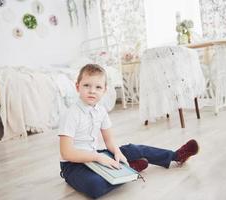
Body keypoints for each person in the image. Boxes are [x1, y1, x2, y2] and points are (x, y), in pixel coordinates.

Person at [59, 64, 199, 199]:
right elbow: (67, 153)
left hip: (96, 156)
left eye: (98, 87)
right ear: (77, 87)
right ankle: (131, 169)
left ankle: (176, 156)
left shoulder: (101, 111)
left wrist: (117, 153)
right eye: (86, 85)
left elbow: (109, 142)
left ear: (104, 90)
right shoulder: (71, 114)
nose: (92, 91)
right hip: (73, 165)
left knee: (134, 149)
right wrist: (99, 158)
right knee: (95, 185)